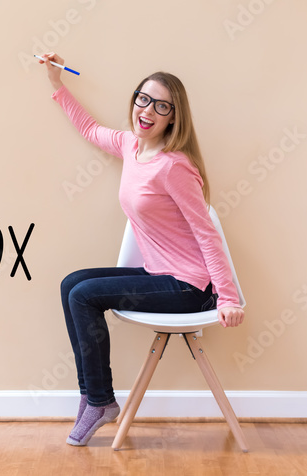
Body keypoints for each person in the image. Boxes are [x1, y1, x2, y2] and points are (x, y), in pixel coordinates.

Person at [37, 52, 246, 446]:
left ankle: (100, 400)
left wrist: (228, 297)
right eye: (143, 99)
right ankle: (92, 394)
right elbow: (90, 129)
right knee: (71, 284)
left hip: (190, 288)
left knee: (84, 296)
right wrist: (56, 83)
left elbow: (206, 233)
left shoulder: (174, 167)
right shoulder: (132, 146)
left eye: (162, 105)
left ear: (173, 117)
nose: (148, 110)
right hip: (157, 274)